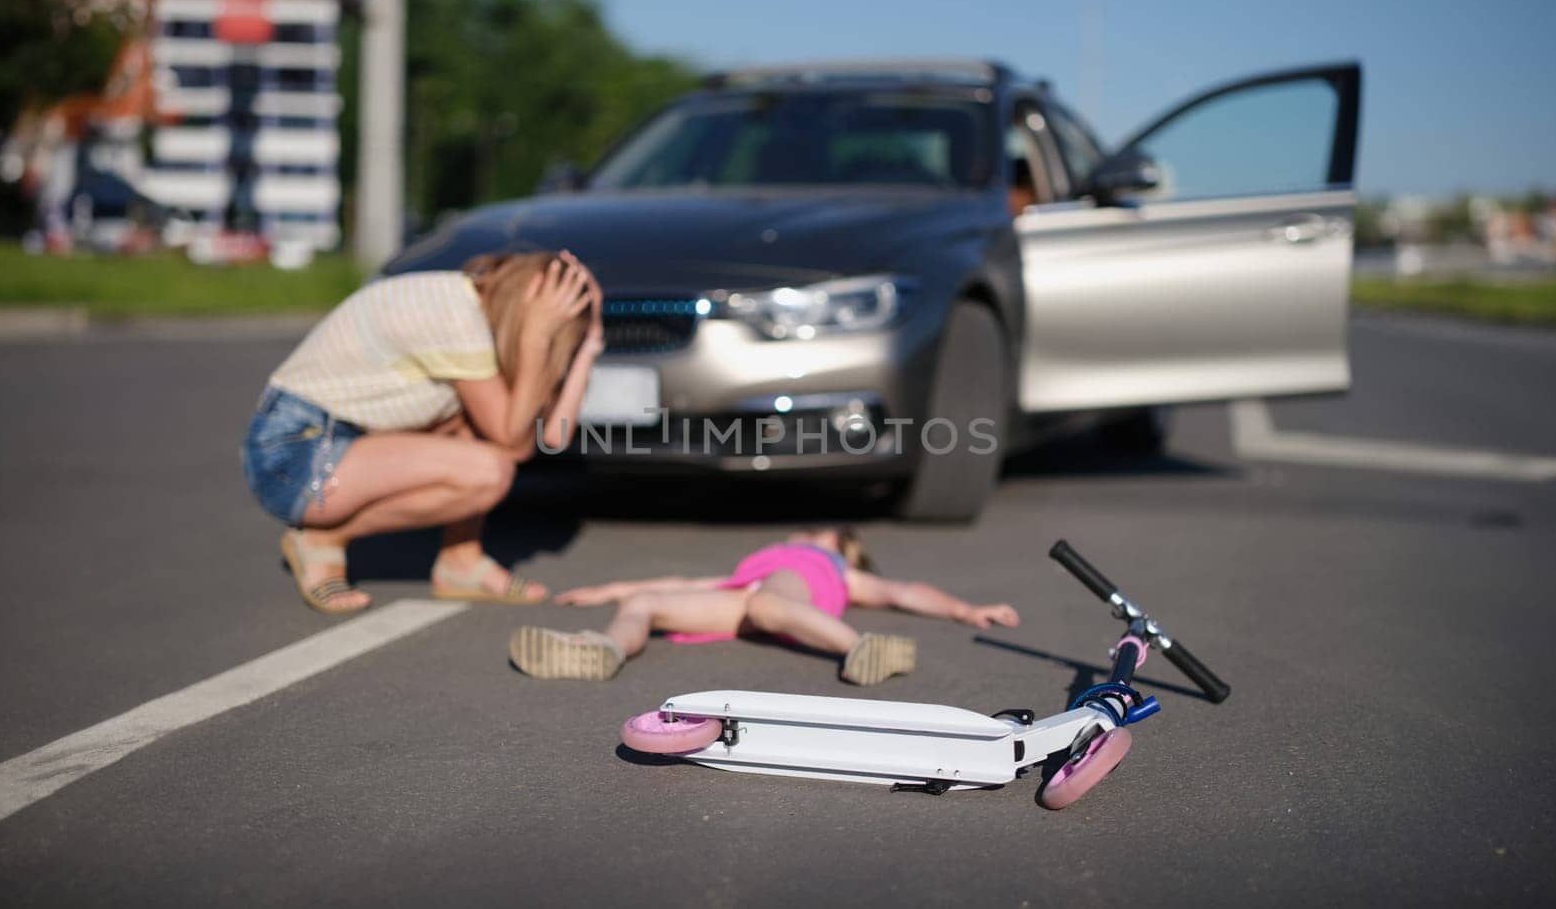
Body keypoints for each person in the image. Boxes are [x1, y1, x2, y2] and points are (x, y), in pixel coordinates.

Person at [240, 250, 602, 614]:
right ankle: (322, 538)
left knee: (482, 430)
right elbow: (515, 441)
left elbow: (551, 437)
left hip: (340, 445)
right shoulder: (458, 319)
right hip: (295, 458)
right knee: (489, 471)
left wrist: (589, 345)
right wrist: (537, 340)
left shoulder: (482, 314)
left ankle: (461, 563)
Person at [509, 528, 1020, 685]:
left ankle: (862, 647)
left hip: (788, 593)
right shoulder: (764, 563)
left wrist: (963, 610)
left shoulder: (829, 564)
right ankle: (604, 648)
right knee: (648, 602)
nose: (811, 532)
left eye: (827, 535)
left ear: (839, 549)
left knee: (772, 604)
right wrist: (611, 591)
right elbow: (689, 581)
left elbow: (901, 591)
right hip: (748, 599)